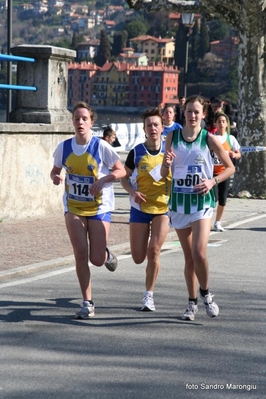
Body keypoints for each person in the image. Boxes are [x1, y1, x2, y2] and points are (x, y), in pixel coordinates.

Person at [161, 95, 235, 321]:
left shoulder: (209, 139)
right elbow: (164, 175)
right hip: (179, 202)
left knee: (199, 253)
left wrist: (213, 181)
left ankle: (206, 293)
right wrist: (166, 163)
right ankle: (192, 303)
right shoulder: (172, 137)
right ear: (183, 112)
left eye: (196, 112)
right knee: (189, 258)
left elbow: (230, 168)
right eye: (189, 111)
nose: (192, 116)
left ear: (204, 115)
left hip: (202, 203)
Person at [50, 101, 126, 319]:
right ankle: (87, 302)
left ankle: (106, 253)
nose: (80, 122)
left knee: (97, 259)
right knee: (80, 254)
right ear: (72, 122)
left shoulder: (101, 147)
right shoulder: (63, 147)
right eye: (76, 118)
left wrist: (105, 180)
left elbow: (121, 171)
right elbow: (54, 170)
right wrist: (55, 177)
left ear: (91, 122)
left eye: (84, 118)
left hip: (99, 207)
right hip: (73, 206)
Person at [120, 108, 172, 311]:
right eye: (149, 125)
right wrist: (132, 193)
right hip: (139, 208)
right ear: (144, 129)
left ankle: (148, 295)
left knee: (154, 251)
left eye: (156, 124)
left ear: (162, 128)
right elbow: (124, 178)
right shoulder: (137, 152)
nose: (153, 128)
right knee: (138, 257)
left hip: (162, 208)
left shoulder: (170, 151)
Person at [213, 112, 241, 232]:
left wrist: (235, 154)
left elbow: (239, 153)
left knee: (223, 199)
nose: (221, 124)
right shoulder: (211, 137)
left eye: (223, 122)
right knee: (213, 199)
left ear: (227, 124)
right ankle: (205, 220)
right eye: (219, 122)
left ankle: (217, 222)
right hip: (211, 173)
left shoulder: (231, 138)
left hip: (225, 172)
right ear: (215, 123)